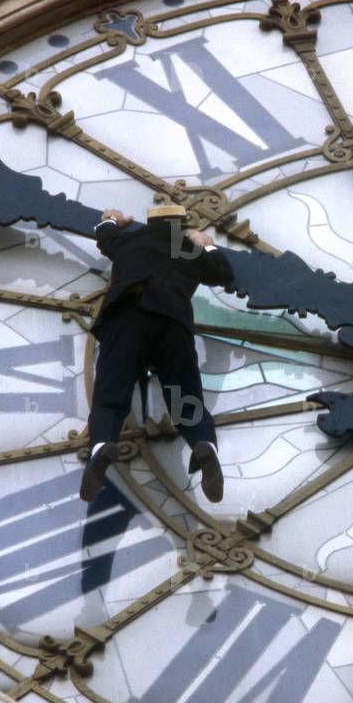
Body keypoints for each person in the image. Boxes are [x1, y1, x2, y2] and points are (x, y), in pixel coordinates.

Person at [80, 205, 233, 503]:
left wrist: (113, 218)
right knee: (186, 398)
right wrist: (207, 244)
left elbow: (103, 235)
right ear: (181, 225)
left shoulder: (129, 240)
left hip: (127, 318)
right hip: (172, 322)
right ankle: (204, 444)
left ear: (149, 222)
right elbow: (224, 274)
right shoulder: (187, 247)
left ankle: (101, 446)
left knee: (111, 395)